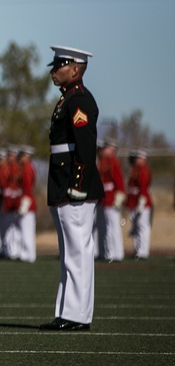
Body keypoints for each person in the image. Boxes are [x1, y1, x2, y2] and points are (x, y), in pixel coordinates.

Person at [40, 46, 103, 332]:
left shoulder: (79, 99)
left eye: (60, 65)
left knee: (77, 251)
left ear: (75, 68)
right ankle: (68, 311)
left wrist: (78, 184)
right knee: (70, 252)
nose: (54, 71)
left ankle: (77, 315)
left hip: (73, 184)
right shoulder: (68, 99)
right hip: (62, 181)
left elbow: (86, 147)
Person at [95, 139, 125, 262]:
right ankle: (106, 252)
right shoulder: (103, 162)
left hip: (111, 198)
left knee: (113, 227)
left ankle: (116, 253)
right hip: (104, 198)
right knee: (103, 227)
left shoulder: (112, 162)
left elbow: (118, 180)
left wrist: (119, 196)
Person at [126, 149, 152, 259]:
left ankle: (143, 251)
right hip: (133, 202)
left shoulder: (143, 170)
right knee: (136, 228)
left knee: (143, 227)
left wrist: (141, 201)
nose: (135, 160)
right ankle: (138, 250)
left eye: (137, 158)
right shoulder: (135, 170)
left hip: (141, 202)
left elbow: (143, 187)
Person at [17, 145, 37, 263]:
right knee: (24, 229)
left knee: (27, 229)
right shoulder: (25, 167)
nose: (20, 158)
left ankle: (30, 254)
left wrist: (25, 204)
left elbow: (28, 188)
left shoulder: (27, 168)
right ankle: (26, 253)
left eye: (22, 156)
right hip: (25, 201)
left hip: (27, 203)